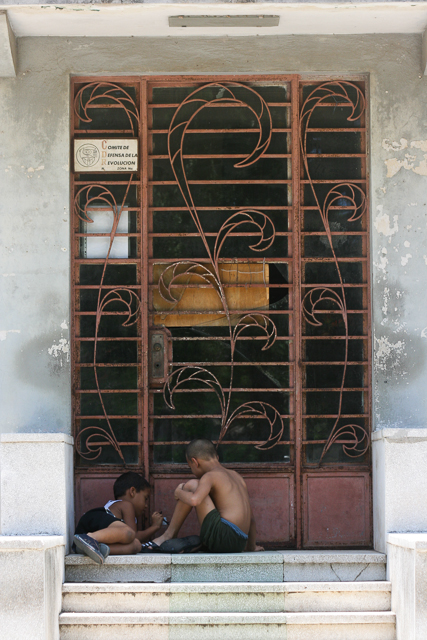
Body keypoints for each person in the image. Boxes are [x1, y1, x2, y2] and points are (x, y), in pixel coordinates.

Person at [141, 439, 263, 553]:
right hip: (240, 542)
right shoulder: (236, 476)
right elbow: (251, 519)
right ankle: (202, 543)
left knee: (192, 485)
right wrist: (251, 546)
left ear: (195, 462)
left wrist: (178, 492)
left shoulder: (210, 476)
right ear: (217, 457)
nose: (192, 470)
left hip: (224, 538)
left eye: (190, 467)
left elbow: (195, 500)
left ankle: (169, 534)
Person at [73, 471, 165, 564]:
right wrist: (155, 527)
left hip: (96, 530)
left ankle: (89, 548)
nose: (146, 505)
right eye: (145, 498)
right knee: (129, 533)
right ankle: (88, 538)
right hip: (93, 520)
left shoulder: (122, 507)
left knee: (136, 545)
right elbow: (134, 535)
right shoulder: (126, 505)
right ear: (132, 491)